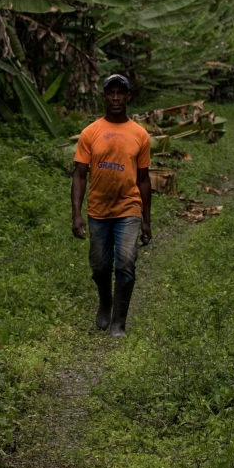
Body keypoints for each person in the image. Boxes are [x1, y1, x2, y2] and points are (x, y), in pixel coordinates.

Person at [72, 74, 153, 337]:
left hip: (128, 208)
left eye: (121, 92)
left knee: (126, 263)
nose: (116, 97)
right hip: (98, 210)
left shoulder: (140, 135)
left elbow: (143, 179)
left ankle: (119, 320)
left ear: (128, 97)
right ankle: (105, 302)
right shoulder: (91, 132)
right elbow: (79, 175)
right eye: (111, 93)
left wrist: (146, 220)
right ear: (104, 97)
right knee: (99, 266)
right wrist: (76, 214)